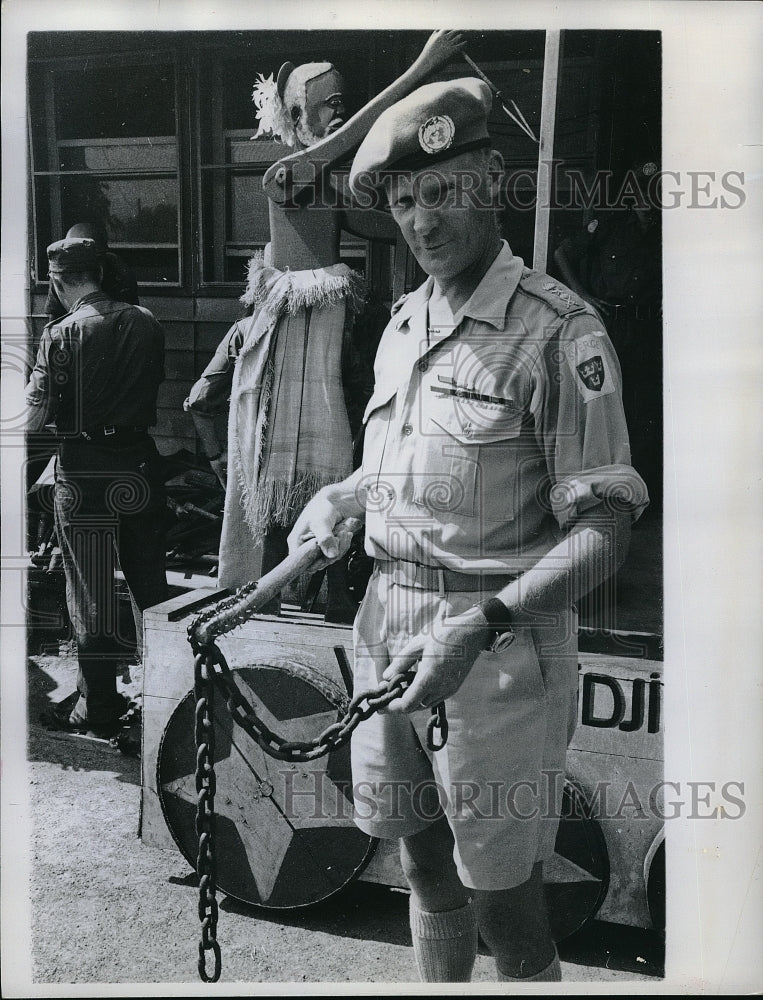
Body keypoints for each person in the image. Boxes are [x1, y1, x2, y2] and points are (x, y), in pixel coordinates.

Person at [288, 78, 649, 983]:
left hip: (493, 649)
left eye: (440, 191)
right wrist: (345, 500)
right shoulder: (402, 324)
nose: (421, 219)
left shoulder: (556, 331)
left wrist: (478, 625)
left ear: (491, 181)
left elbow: (606, 529)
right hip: (388, 629)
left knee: (506, 900)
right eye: (404, 202)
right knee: (415, 858)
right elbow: (407, 474)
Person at [184, 31, 467, 619]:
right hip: (289, 343)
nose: (339, 105)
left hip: (326, 334)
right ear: (293, 114)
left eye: (343, 97)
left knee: (331, 466)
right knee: (281, 475)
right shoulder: (286, 174)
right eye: (327, 99)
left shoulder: (328, 183)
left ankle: (327, 597)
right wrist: (421, 69)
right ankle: (262, 601)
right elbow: (349, 140)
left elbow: (387, 225)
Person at [26, 237, 168, 735]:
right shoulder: (147, 321)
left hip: (85, 471)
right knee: (152, 589)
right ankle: (168, 700)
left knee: (90, 595)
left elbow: (33, 416)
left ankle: (99, 709)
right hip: (141, 466)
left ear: (58, 281)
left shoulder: (61, 334)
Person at [553, 161, 662, 509]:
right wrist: (581, 296)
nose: (648, 202)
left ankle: (634, 500)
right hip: (608, 326)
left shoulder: (671, 234)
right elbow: (561, 253)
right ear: (633, 198)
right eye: (643, 194)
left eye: (656, 194)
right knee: (599, 402)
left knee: (642, 408)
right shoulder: (611, 226)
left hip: (645, 331)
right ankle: (598, 493)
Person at [44, 220, 139, 324]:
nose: (83, 263)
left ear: (102, 255)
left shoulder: (119, 271)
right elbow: (55, 320)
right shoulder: (59, 273)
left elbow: (132, 317)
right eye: (76, 256)